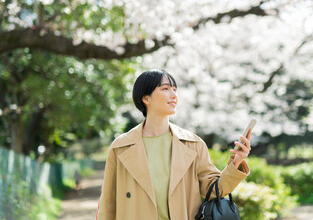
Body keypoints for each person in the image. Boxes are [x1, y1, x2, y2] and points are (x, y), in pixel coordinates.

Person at [96, 69, 251, 220]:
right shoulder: (121, 147)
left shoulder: (193, 144)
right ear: (146, 98)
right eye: (165, 89)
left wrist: (236, 162)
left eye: (175, 89)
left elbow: (214, 190)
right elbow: (108, 202)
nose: (174, 95)